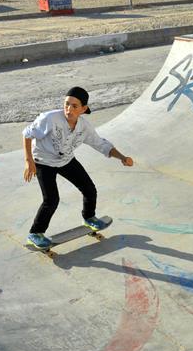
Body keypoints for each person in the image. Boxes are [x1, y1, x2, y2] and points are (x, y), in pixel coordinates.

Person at [22, 86, 134, 249]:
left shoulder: (84, 127)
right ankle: (35, 233)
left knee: (89, 189)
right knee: (51, 200)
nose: (69, 109)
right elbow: (26, 134)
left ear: (83, 109)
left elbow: (101, 144)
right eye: (66, 104)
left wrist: (122, 157)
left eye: (74, 106)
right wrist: (29, 161)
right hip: (43, 162)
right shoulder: (49, 118)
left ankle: (89, 218)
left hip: (66, 160)